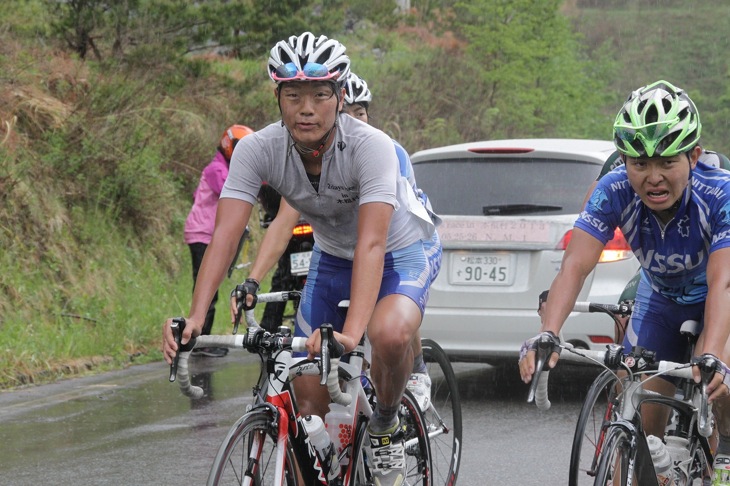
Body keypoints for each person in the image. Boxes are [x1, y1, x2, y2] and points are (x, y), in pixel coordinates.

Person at [163, 32, 441, 486]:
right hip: (332, 257)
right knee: (307, 398)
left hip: (400, 251)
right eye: (292, 95)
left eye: (319, 94)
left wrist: (352, 335)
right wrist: (195, 317)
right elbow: (225, 235)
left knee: (387, 335)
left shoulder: (371, 146)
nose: (305, 108)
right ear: (278, 96)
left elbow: (372, 245)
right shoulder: (258, 150)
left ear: (340, 95)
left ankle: (387, 425)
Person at [518, 80, 730, 484]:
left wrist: (714, 353)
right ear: (624, 161)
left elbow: (723, 283)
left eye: (667, 162)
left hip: (715, 299)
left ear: (694, 156)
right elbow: (575, 266)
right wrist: (548, 332)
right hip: (662, 298)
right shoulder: (613, 189)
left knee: (718, 381)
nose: (653, 177)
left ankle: (727, 451)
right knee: (641, 430)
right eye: (640, 163)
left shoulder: (719, 194)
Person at [341, 71, 442, 412]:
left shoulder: (389, 151)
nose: (355, 120)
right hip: (355, 243)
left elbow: (399, 223)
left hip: (408, 239)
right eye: (347, 113)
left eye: (361, 112)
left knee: (390, 313)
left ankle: (417, 369)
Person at [183, 124, 254, 358]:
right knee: (207, 289)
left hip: (208, 235)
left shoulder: (221, 167)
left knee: (211, 288)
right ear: (228, 145)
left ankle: (202, 340)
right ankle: (201, 341)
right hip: (202, 235)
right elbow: (230, 193)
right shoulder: (216, 169)